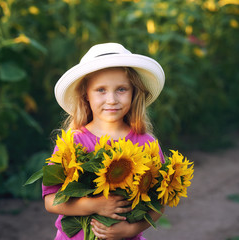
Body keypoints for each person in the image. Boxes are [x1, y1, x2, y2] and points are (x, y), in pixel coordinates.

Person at [42, 42, 166, 240]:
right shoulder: (72, 143)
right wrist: (96, 204)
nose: (111, 99)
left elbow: (159, 202)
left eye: (121, 89)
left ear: (134, 92)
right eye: (101, 90)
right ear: (86, 95)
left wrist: (130, 230)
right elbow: (51, 201)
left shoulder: (146, 143)